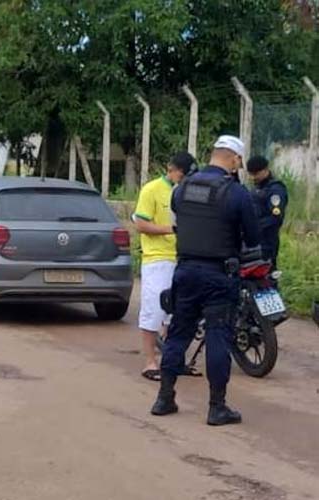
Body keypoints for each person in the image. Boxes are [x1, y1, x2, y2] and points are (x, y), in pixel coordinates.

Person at [151, 135, 261, 426]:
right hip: (218, 276)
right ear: (234, 159)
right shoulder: (236, 193)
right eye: (239, 162)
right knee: (217, 337)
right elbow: (253, 238)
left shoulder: (181, 188)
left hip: (185, 272)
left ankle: (164, 398)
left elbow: (178, 223)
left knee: (178, 334)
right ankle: (216, 407)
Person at [133, 152, 195, 382]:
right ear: (171, 169)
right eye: (182, 174)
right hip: (157, 259)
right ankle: (150, 362)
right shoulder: (152, 189)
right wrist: (172, 229)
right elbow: (141, 224)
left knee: (178, 313)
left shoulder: (189, 192)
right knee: (154, 310)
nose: (184, 179)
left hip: (183, 257)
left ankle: (173, 360)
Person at [247, 155, 288, 268]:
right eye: (251, 174)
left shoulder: (275, 189)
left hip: (267, 242)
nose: (253, 177)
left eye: (256, 174)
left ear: (265, 170)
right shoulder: (256, 188)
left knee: (267, 272)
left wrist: (254, 227)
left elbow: (276, 218)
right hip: (253, 242)